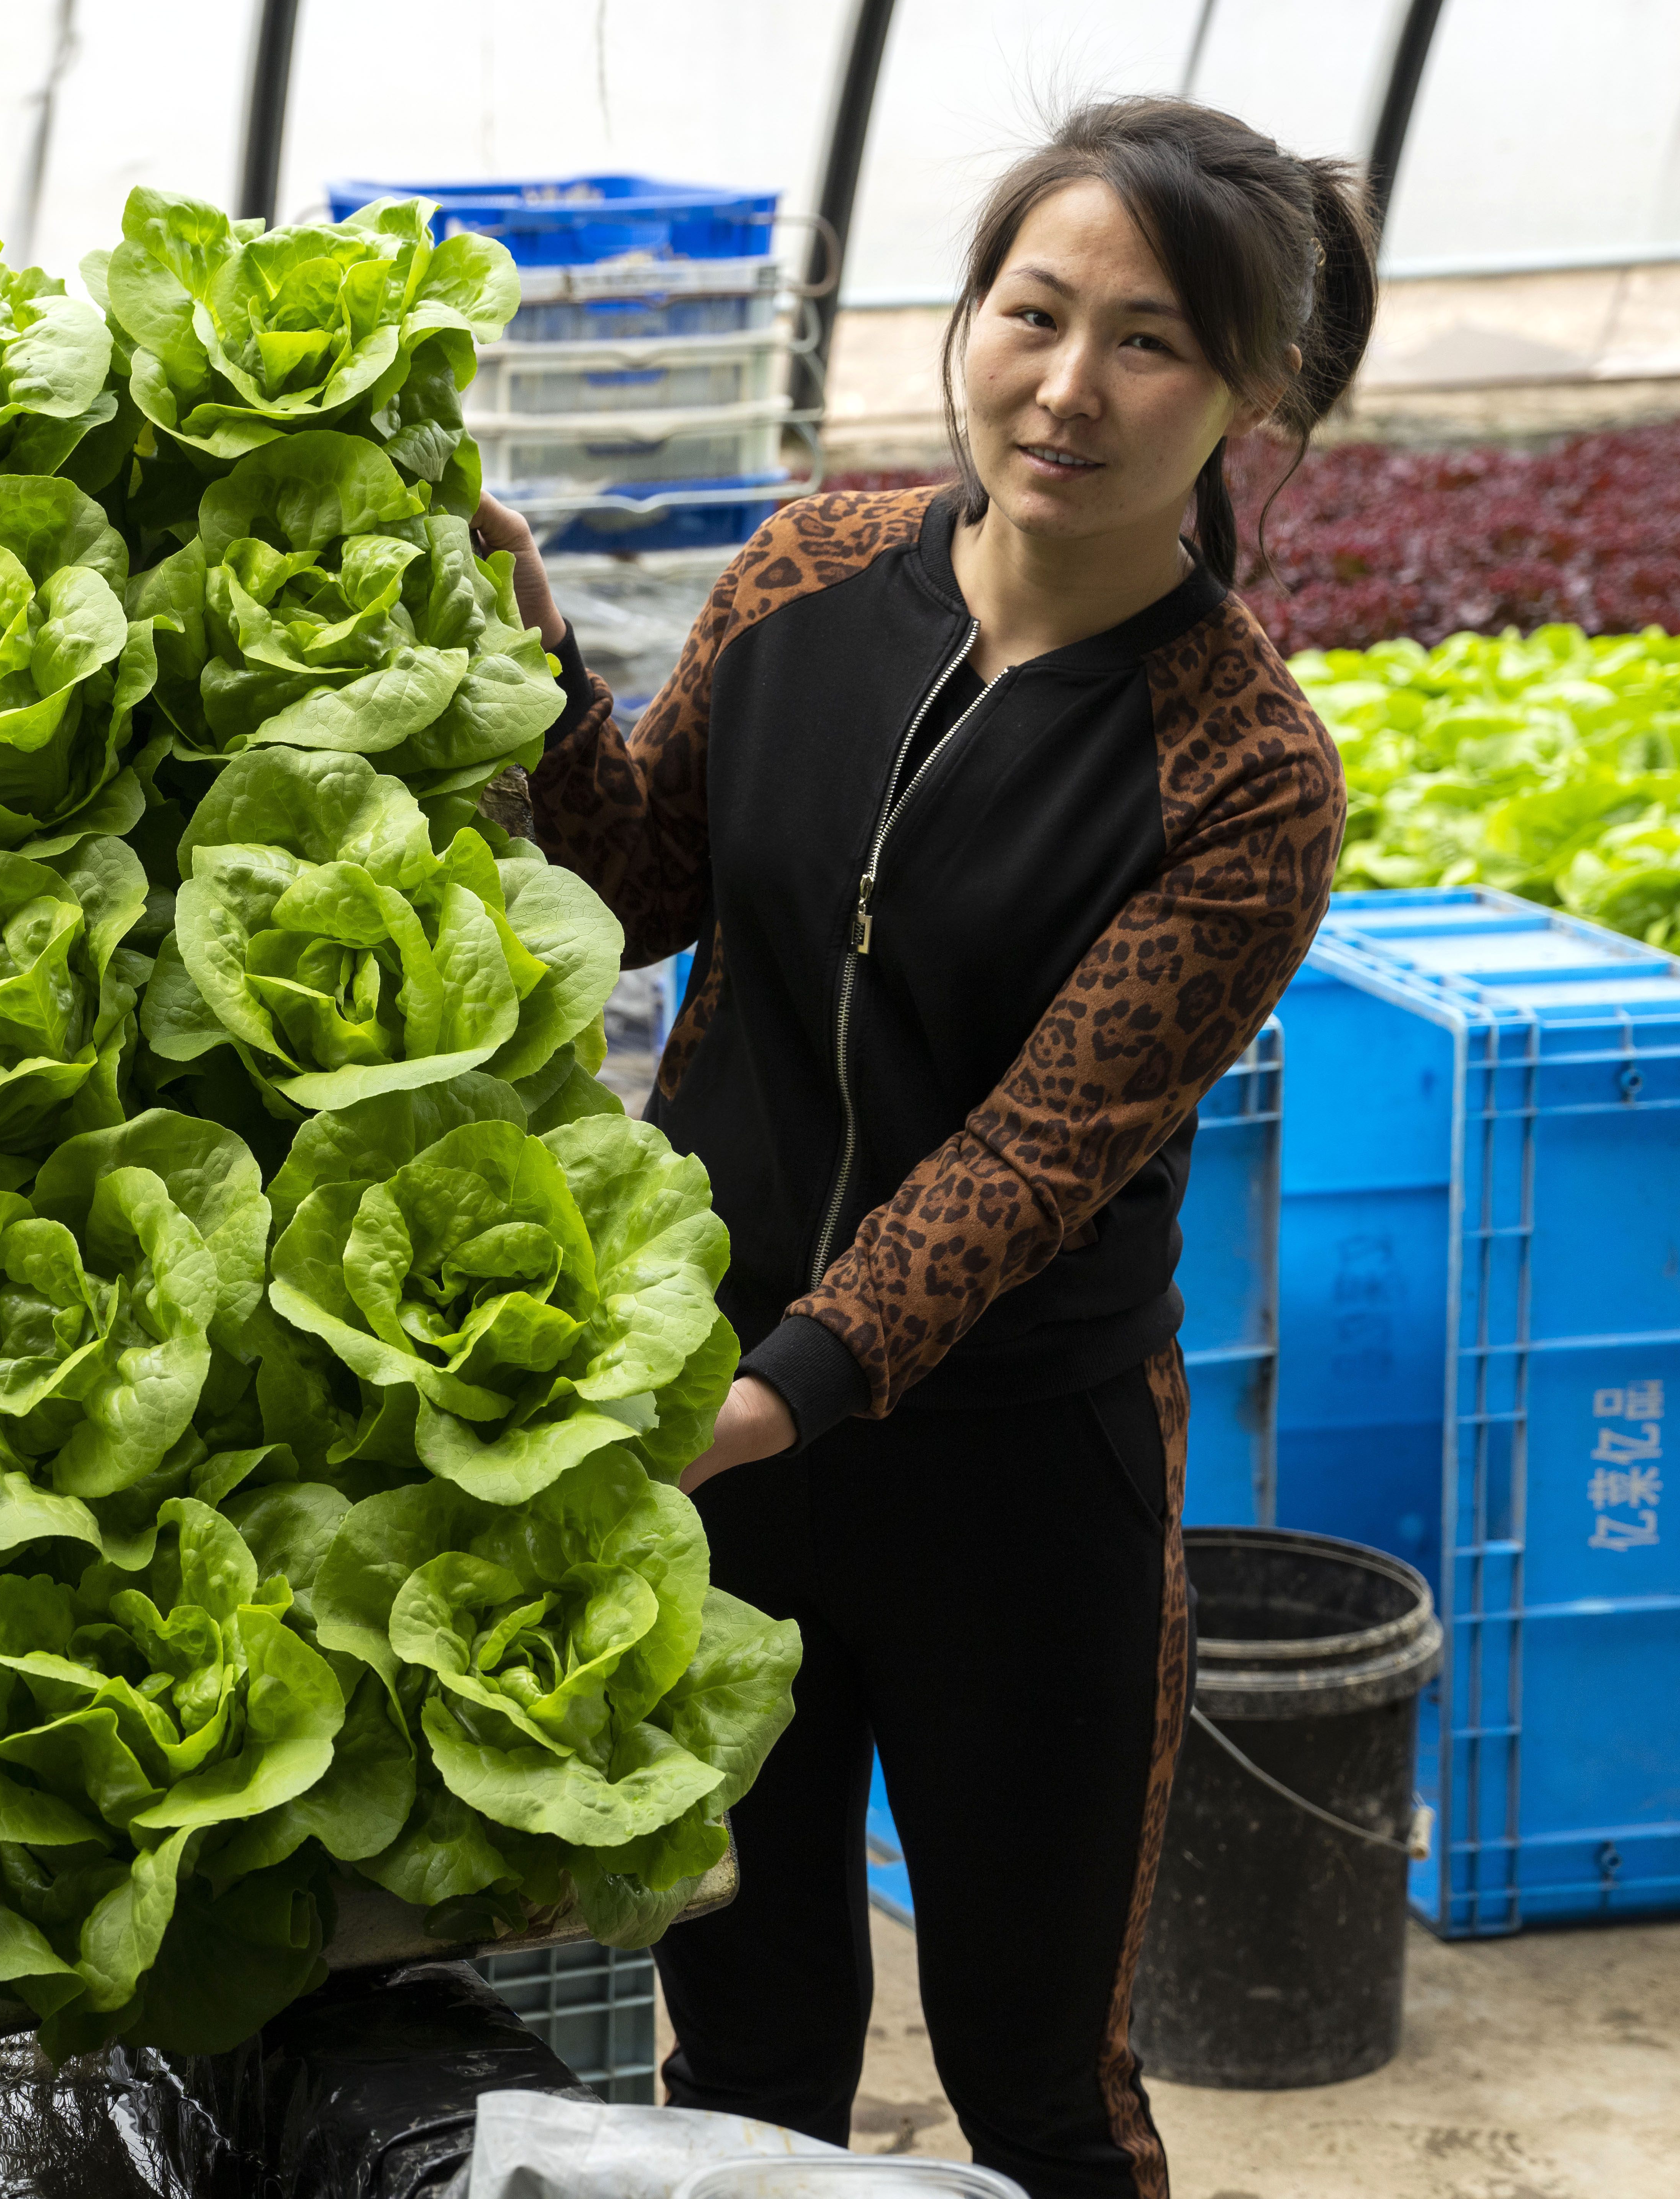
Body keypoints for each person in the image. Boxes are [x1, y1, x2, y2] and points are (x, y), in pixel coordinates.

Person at [478, 97, 1372, 2199]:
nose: (1066, 388)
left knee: (1035, 2085)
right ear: (964, 315)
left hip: (1008, 1488)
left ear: (1247, 392)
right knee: (752, 2042)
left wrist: (750, 1402)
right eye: (1028, 310)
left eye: (1146, 343)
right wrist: (529, 672)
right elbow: (635, 888)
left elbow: (1022, 1167)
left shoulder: (1241, 774)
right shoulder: (804, 570)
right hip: (716, 1444)